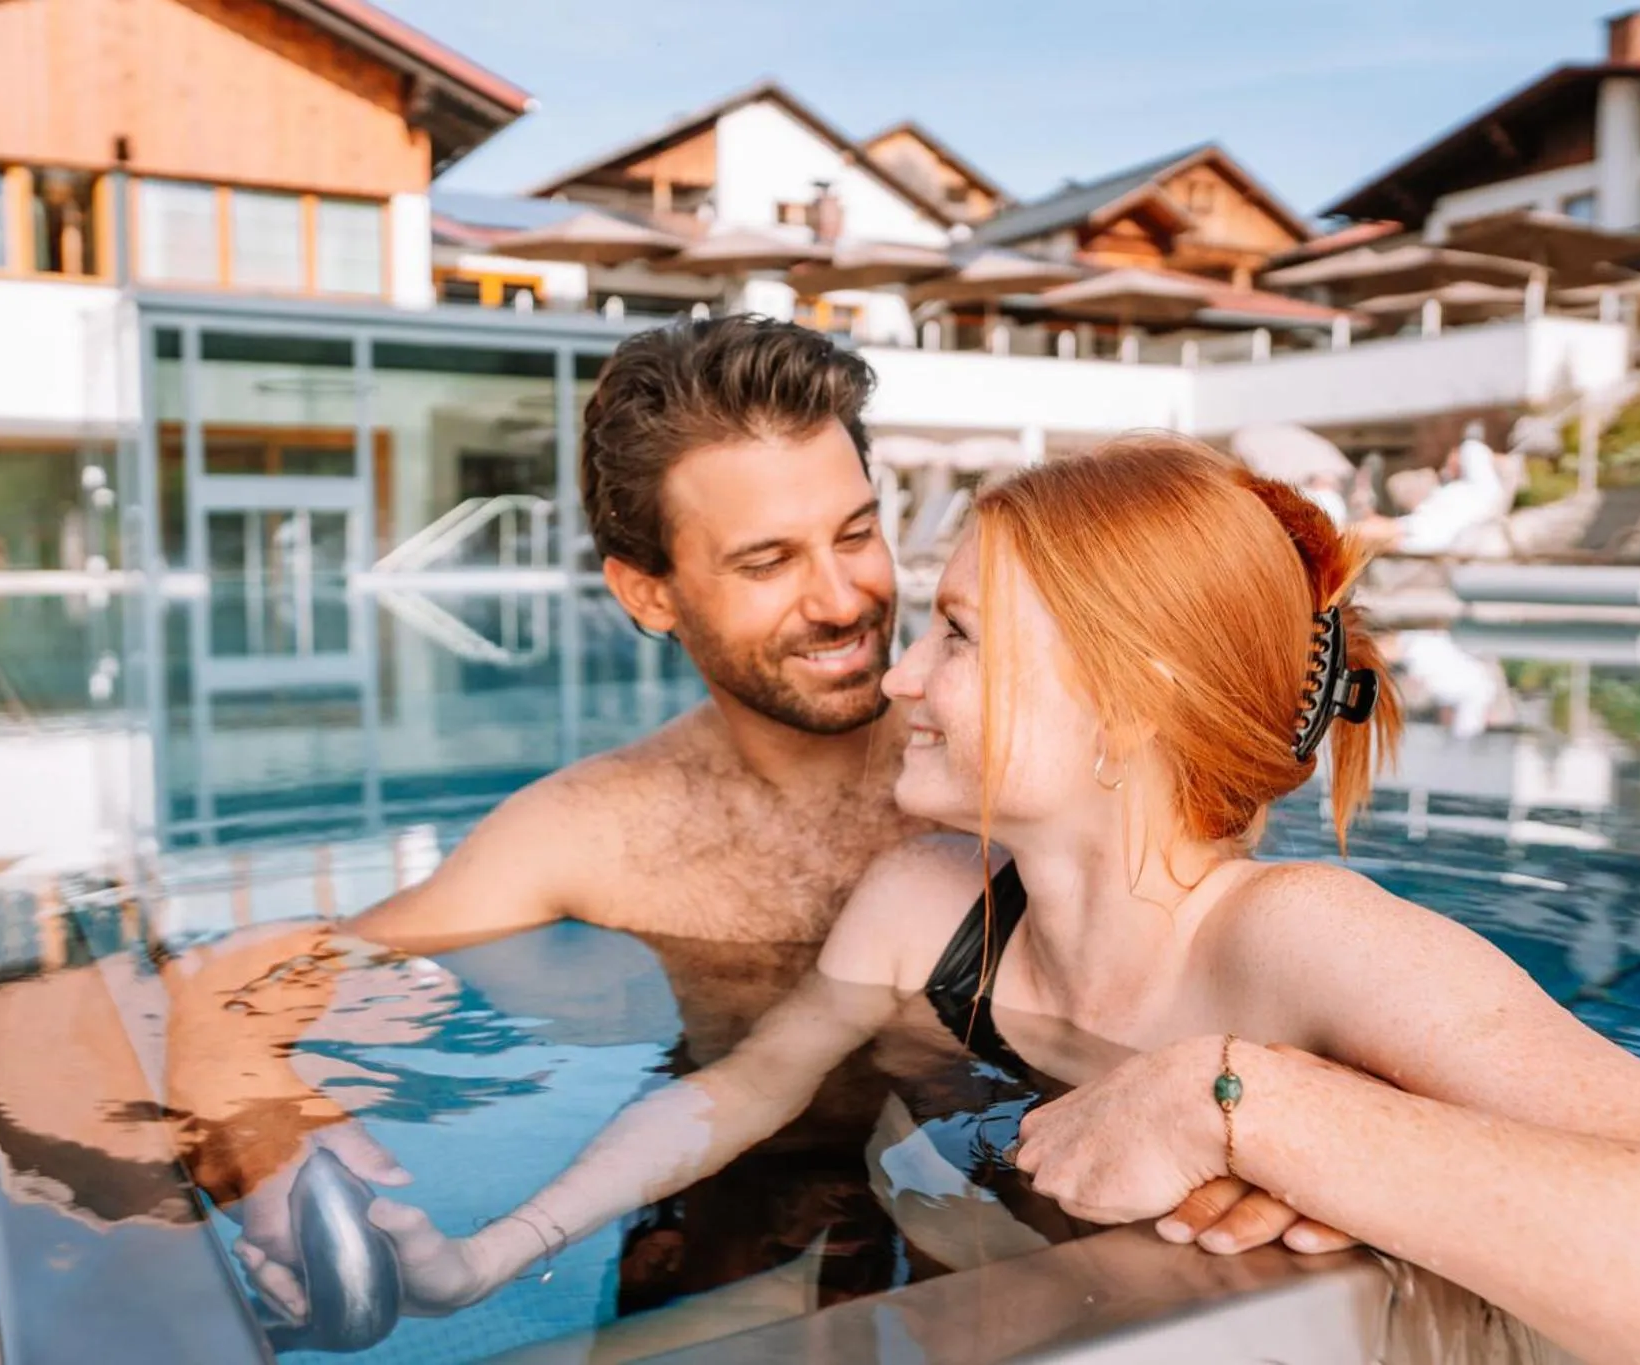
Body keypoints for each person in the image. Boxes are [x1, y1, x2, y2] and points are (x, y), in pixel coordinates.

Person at [360, 437, 1640, 1365]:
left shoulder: (1302, 942)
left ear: (1128, 701)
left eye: (958, 636)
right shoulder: (927, 908)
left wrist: (1241, 1102)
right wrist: (497, 1251)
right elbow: (742, 1090)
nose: (900, 675)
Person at [165, 321, 1344, 1320]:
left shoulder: (1035, 761)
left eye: (855, 532)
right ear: (648, 593)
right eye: (767, 561)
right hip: (725, 1192)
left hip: (1016, 1179)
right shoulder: (588, 830)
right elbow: (251, 983)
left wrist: (1274, 1132)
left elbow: (1230, 952)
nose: (841, 599)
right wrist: (262, 1139)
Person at [1358, 420, 1510, 556]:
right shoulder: (1474, 490)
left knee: (1369, 534)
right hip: (1422, 531)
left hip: (1429, 536)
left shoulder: (1484, 487)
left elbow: (1471, 448)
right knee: (1372, 531)